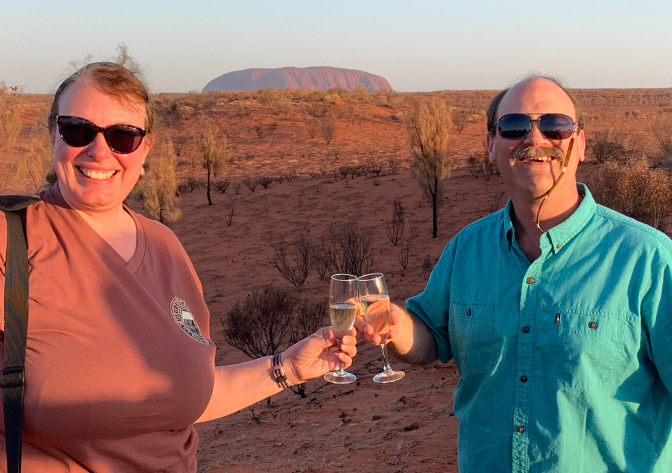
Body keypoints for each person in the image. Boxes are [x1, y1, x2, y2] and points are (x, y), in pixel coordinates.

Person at [0, 54, 357, 472]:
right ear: (53, 134)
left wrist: (287, 369)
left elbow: (183, 399)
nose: (100, 151)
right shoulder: (12, 240)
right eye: (77, 130)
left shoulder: (164, 245)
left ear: (145, 147)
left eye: (123, 136)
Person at [360, 76, 672, 472]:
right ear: (492, 146)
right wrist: (394, 323)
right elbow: (429, 337)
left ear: (580, 145)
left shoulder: (646, 258)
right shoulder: (467, 248)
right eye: (514, 127)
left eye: (555, 125)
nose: (534, 138)